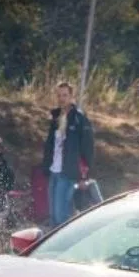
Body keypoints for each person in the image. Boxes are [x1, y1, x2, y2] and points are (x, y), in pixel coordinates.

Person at [42, 82, 95, 228]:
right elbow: (50, 145)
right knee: (53, 214)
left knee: (61, 215)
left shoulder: (80, 119)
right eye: (59, 95)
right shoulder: (55, 117)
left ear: (71, 96)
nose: (61, 98)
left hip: (69, 173)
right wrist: (45, 166)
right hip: (54, 171)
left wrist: (85, 176)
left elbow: (88, 149)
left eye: (65, 95)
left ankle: (67, 244)